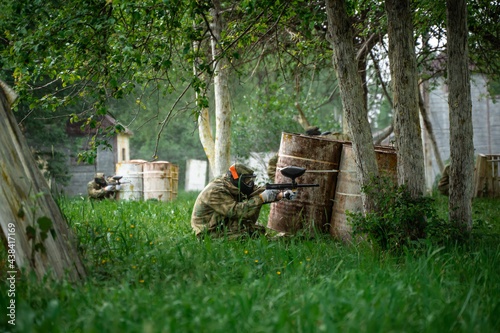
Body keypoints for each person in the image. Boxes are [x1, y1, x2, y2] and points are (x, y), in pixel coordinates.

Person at [191, 163, 293, 238]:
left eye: (251, 180)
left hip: (222, 224)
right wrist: (262, 198)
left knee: (257, 229)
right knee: (251, 233)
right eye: (247, 180)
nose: (250, 183)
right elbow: (236, 211)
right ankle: (280, 240)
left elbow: (256, 191)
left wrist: (281, 194)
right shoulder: (216, 191)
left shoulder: (232, 184)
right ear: (237, 179)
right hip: (209, 232)